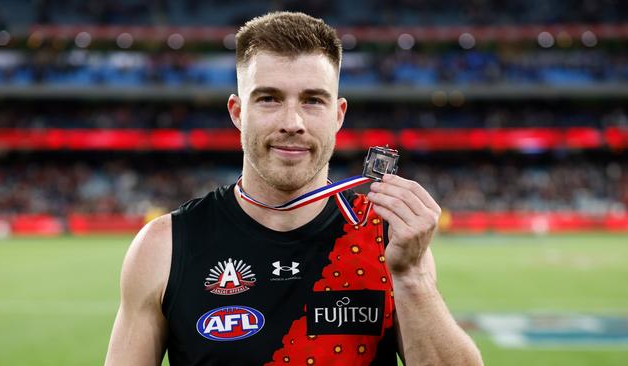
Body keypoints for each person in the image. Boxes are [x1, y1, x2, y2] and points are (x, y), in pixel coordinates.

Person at [105, 12, 483, 366]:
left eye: (313, 100)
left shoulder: (386, 236)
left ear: (338, 115)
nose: (292, 122)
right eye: (269, 98)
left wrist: (412, 277)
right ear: (238, 112)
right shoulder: (164, 246)